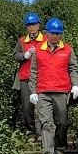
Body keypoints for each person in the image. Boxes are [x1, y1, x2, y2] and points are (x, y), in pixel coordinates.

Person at [28, 17, 78, 154]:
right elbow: (33, 72)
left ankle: (60, 148)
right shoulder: (38, 50)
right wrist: (33, 92)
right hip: (44, 92)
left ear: (61, 34)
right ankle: (47, 153)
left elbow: (73, 69)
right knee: (46, 123)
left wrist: (75, 84)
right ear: (47, 33)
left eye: (58, 33)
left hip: (62, 92)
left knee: (62, 123)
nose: (55, 36)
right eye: (52, 33)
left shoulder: (68, 49)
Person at [13, 12, 47, 140]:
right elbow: (15, 55)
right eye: (29, 25)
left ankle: (43, 132)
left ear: (38, 25)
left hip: (42, 77)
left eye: (34, 25)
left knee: (43, 105)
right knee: (27, 106)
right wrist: (24, 55)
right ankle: (30, 131)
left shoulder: (45, 39)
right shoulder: (22, 41)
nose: (31, 27)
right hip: (25, 77)